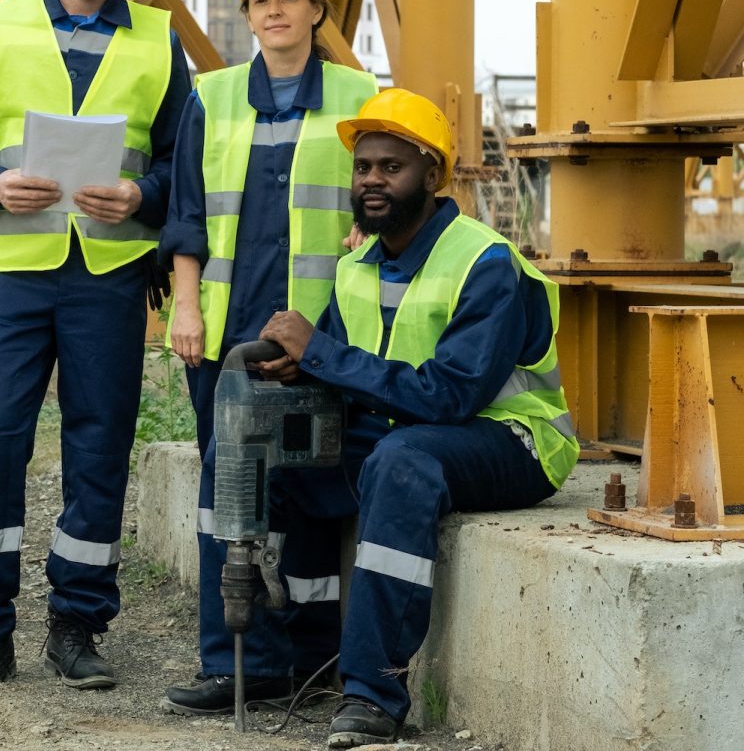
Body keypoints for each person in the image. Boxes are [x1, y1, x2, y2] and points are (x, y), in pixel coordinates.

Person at [164, 88, 579, 747]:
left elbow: (449, 396)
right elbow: (343, 364)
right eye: (363, 168)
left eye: (392, 167)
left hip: (509, 440)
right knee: (255, 435)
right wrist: (295, 368)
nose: (373, 181)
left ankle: (372, 692)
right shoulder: (359, 265)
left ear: (433, 176)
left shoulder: (486, 263)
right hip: (402, 425)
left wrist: (322, 353)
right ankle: (271, 660)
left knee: (401, 462)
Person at [0, 0, 191, 699]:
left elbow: (184, 162)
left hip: (108, 276)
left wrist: (143, 195)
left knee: (98, 448)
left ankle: (77, 627)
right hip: (13, 265)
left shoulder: (159, 40)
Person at [157, 0, 378, 712]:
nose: (274, 9)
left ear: (318, 7)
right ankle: (234, 662)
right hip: (225, 335)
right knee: (231, 494)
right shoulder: (210, 98)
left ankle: (312, 660)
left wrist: (372, 228)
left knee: (315, 491)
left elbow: (392, 199)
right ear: (243, 10)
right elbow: (186, 218)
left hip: (321, 338)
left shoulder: (361, 97)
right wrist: (185, 309)